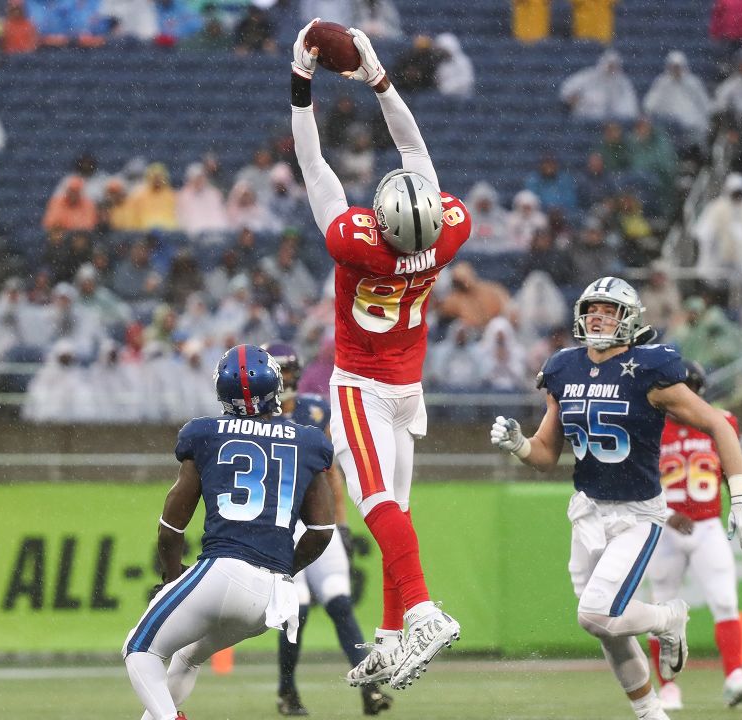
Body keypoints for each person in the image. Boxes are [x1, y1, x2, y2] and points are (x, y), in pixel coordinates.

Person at [489, 278, 742, 720]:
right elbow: (545, 454)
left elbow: (720, 425)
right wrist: (520, 444)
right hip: (587, 510)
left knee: (596, 613)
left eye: (609, 310)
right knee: (609, 629)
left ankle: (669, 617)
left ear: (630, 319)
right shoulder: (564, 367)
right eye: (591, 308)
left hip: (636, 513)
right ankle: (651, 712)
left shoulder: (651, 368)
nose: (597, 317)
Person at [290, 22, 468, 689]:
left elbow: (315, 167)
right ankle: (392, 637)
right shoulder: (447, 233)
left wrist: (299, 84)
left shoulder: (355, 242)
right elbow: (416, 149)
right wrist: (380, 78)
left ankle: (421, 610)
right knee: (397, 505)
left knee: (372, 506)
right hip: (409, 387)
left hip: (361, 386)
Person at [121, 345, 336, 720]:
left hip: (222, 570)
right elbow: (321, 530)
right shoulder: (308, 439)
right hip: (272, 599)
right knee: (187, 657)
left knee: (139, 650)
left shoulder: (204, 433)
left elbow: (172, 528)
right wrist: (284, 568)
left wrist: (173, 578)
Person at [262, 343, 393, 717]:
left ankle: (370, 690)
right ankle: (287, 690)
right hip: (283, 526)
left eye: (289, 371)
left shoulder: (314, 410)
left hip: (318, 521)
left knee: (339, 600)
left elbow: (331, 474)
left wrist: (343, 523)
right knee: (296, 609)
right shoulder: (255, 419)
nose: (286, 379)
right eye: (279, 372)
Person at [645, 362, 742, 710]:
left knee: (725, 601)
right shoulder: (651, 428)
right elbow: (638, 482)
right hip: (664, 530)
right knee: (661, 610)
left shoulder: (720, 422)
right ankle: (667, 687)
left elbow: (734, 474)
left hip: (708, 524)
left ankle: (734, 677)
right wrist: (667, 513)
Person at [643, 52, 711, 146]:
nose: (676, 70)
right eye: (674, 67)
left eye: (678, 67)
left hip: (693, 123)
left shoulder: (693, 82)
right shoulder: (662, 82)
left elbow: (705, 103)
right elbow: (649, 105)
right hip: (670, 124)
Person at [560, 51, 639, 122]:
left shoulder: (622, 83)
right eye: (609, 66)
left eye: (614, 66)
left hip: (607, 124)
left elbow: (630, 108)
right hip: (583, 118)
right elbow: (567, 90)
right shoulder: (588, 76)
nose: (611, 69)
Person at [433, 33, 474, 99]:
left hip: (461, 96)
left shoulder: (462, 61)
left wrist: (445, 88)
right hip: (444, 98)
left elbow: (466, 80)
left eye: (443, 50)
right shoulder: (441, 63)